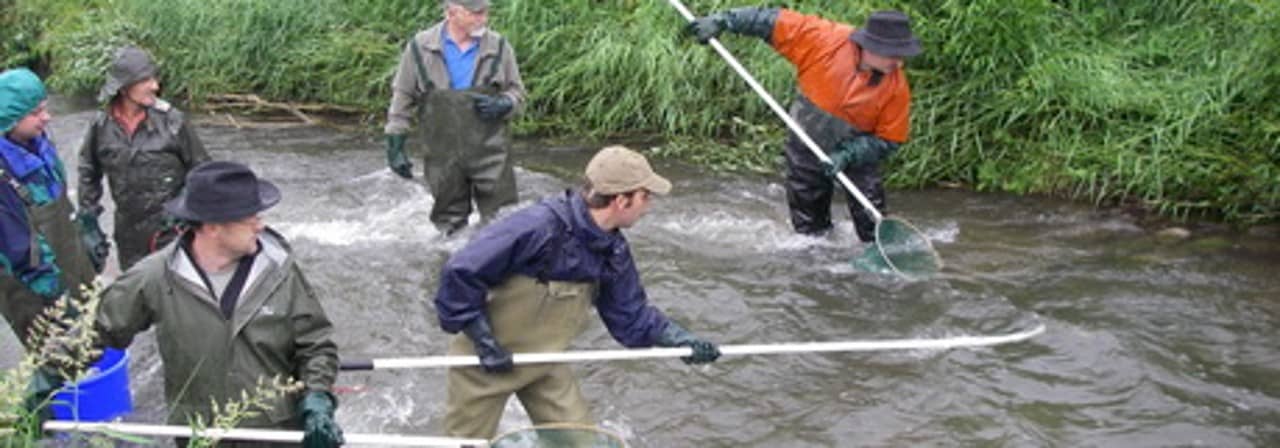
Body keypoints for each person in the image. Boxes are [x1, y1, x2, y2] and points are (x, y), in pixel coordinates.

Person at [433, 145, 722, 439]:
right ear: (622, 200)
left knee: (580, 443)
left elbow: (630, 316)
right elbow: (461, 271)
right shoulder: (537, 227)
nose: (648, 207)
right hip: (484, 364)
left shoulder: (613, 250)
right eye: (644, 197)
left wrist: (679, 339)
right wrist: (483, 341)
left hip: (544, 364)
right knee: (465, 445)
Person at [92, 161, 343, 447]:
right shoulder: (153, 277)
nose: (260, 226)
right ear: (212, 227)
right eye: (250, 218)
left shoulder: (280, 270)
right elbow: (97, 330)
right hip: (200, 434)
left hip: (277, 431)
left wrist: (317, 398)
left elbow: (316, 344)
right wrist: (45, 377)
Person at [685, 8, 922, 243]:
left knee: (871, 219)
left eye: (902, 55)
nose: (899, 63)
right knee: (810, 231)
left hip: (857, 150)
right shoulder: (824, 39)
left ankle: (877, 255)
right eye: (894, 55)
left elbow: (890, 140)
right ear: (871, 47)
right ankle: (817, 268)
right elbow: (771, 21)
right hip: (807, 139)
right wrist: (724, 21)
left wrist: (848, 155)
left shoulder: (896, 87)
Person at [384, 0, 527, 235]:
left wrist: (505, 103)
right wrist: (395, 144)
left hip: (491, 152)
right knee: (448, 229)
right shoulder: (420, 48)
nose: (484, 18)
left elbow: (517, 92)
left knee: (503, 223)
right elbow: (402, 97)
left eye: (485, 12)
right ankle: (446, 266)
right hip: (442, 154)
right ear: (452, 12)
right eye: (476, 13)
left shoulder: (499, 46)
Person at [79, 45, 211, 271]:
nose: (155, 86)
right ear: (124, 87)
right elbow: (88, 171)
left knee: (174, 295)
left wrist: (183, 209)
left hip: (172, 231)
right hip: (128, 234)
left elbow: (203, 171)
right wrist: (88, 219)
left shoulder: (173, 121)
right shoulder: (100, 126)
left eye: (155, 78)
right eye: (146, 81)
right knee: (135, 295)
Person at [0, 68, 96, 348]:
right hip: (31, 287)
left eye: (45, 108)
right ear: (9, 118)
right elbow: (15, 247)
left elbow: (62, 204)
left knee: (93, 337)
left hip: (70, 264)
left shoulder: (41, 143)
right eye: (36, 112)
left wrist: (85, 228)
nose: (47, 117)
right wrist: (53, 295)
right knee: (56, 355)